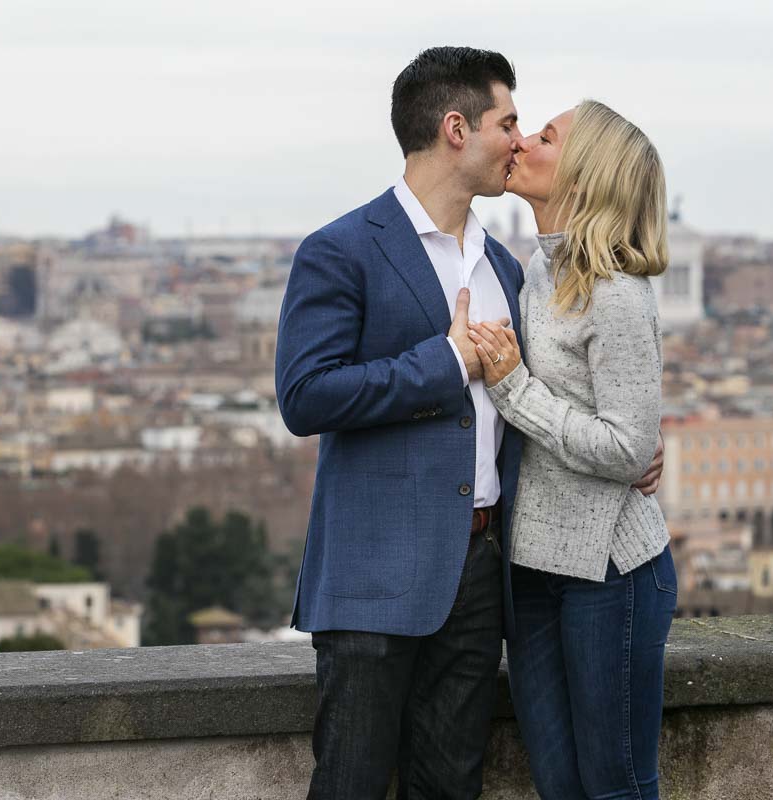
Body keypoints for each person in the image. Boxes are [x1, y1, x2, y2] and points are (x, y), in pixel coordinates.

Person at [276, 47, 663, 796]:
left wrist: (644, 440)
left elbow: (559, 390)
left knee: (452, 784)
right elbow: (306, 395)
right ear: (456, 128)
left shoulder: (510, 268)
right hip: (374, 574)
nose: (518, 140)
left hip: (485, 570)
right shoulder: (343, 250)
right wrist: (446, 364)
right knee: (351, 782)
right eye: (508, 121)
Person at [467, 99, 677, 800]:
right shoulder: (535, 272)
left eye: (546, 136)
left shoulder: (613, 290)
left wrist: (516, 390)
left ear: (584, 176)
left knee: (613, 788)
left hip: (608, 573)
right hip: (531, 570)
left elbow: (624, 447)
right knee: (559, 789)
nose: (523, 141)